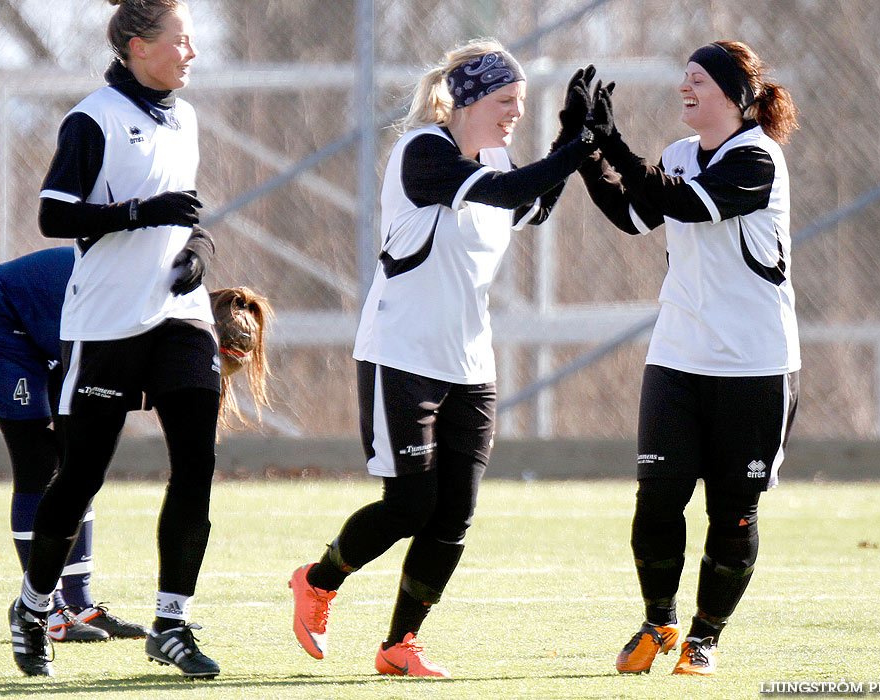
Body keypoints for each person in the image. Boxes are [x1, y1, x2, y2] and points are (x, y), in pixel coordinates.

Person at [288, 39, 608, 678]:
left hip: (471, 365)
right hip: (402, 356)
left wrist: (572, 136)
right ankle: (318, 581)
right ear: (465, 99)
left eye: (520, 102)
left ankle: (400, 644)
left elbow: (532, 203)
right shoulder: (423, 152)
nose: (515, 112)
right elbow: (511, 188)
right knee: (410, 505)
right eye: (504, 100)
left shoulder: (491, 156)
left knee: (454, 513)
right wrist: (576, 149)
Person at [8, 0, 221, 679]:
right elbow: (53, 214)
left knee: (195, 464)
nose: (191, 52)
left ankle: (172, 622)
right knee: (79, 477)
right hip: (104, 324)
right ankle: (35, 607)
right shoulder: (93, 118)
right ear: (136, 45)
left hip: (179, 315)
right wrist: (137, 215)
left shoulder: (185, 117)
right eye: (181, 40)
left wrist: (197, 248)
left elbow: (183, 206)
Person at [575, 42, 801, 676]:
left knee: (733, 509)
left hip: (755, 366)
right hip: (677, 358)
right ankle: (659, 621)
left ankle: (705, 637)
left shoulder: (759, 158)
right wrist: (587, 148)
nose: (685, 87)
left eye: (698, 79)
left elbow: (689, 202)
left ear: (734, 94)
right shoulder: (678, 155)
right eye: (684, 78)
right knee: (656, 500)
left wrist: (616, 144)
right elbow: (632, 213)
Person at [0, 251, 272, 650]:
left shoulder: (179, 321)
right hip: (6, 317)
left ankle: (79, 602)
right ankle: (47, 610)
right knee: (40, 463)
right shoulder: (155, 324)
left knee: (76, 460)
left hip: (61, 328)